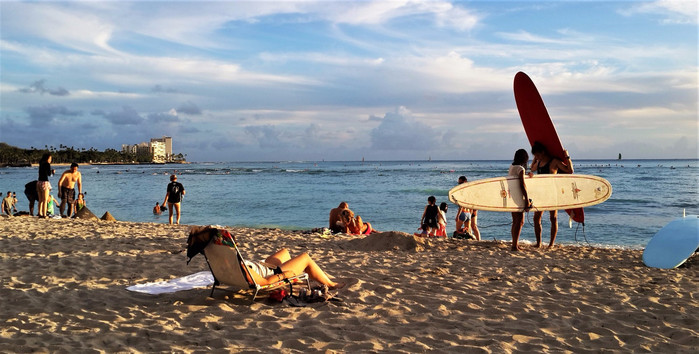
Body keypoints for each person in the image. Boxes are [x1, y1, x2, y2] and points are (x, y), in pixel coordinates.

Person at [186, 226, 344, 289]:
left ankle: (312, 275)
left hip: (263, 266)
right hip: (271, 273)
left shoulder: (219, 260)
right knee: (305, 258)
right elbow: (265, 283)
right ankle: (331, 283)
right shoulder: (240, 267)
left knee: (285, 252)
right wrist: (284, 275)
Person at [529, 141, 574, 249]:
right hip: (541, 193)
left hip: (552, 193)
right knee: (536, 218)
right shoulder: (538, 163)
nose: (537, 157)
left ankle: (551, 244)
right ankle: (539, 243)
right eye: (535, 155)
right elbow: (532, 169)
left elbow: (570, 170)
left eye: (538, 155)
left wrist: (567, 156)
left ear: (543, 152)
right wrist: (535, 159)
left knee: (553, 218)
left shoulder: (554, 162)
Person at [510, 149, 532, 251]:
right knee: (520, 221)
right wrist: (527, 199)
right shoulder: (520, 168)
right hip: (518, 197)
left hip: (512, 196)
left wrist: (528, 175)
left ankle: (515, 244)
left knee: (515, 221)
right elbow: (522, 185)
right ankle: (515, 245)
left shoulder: (512, 167)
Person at [36, 153, 54, 218]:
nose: (50, 160)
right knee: (45, 199)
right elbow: (49, 174)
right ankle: (44, 214)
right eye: (50, 158)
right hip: (45, 182)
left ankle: (39, 213)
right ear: (47, 158)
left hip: (39, 182)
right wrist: (52, 172)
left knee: (40, 200)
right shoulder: (47, 164)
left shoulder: (41, 164)